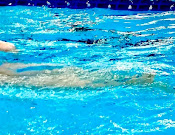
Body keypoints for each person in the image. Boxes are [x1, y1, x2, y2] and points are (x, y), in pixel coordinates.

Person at [0, 40, 155, 88]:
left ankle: (125, 81)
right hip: (5, 71)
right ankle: (126, 81)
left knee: (63, 75)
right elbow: (10, 48)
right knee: (64, 78)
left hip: (5, 69)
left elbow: (9, 48)